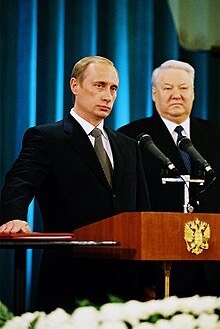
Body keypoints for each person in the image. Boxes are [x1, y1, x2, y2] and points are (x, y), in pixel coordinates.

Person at [0, 56, 152, 313]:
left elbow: (142, 212)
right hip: (70, 279)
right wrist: (14, 216)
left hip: (126, 285)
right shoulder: (47, 138)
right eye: (99, 85)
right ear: (75, 85)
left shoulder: (129, 146)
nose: (107, 96)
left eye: (113, 88)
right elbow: (20, 181)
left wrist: (149, 281)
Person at [118, 59, 220, 298]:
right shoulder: (131, 137)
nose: (177, 95)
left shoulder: (216, 136)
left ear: (193, 92)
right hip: (159, 268)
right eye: (167, 88)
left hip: (212, 268)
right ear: (154, 93)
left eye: (183, 88)